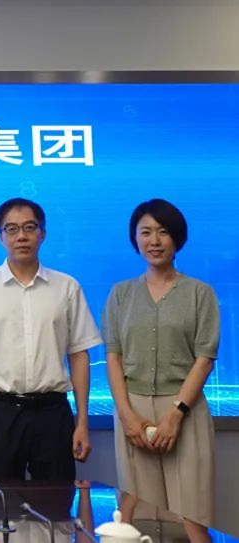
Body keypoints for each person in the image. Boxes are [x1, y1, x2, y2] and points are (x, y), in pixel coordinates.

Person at [0, 198, 101, 481]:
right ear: (0, 237)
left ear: (43, 234)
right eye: (12, 229)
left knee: (57, 502)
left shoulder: (67, 287)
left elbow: (79, 355)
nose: (21, 236)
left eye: (30, 227)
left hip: (53, 412)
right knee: (0, 502)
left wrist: (82, 422)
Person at [103, 198, 218, 541]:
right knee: (128, 515)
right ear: (135, 239)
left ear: (177, 238)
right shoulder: (120, 294)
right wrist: (126, 415)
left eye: (163, 232)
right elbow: (113, 357)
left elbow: (204, 358)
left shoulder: (200, 293)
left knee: (193, 515)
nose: (154, 241)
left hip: (184, 408)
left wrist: (176, 413)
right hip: (132, 408)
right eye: (146, 232)